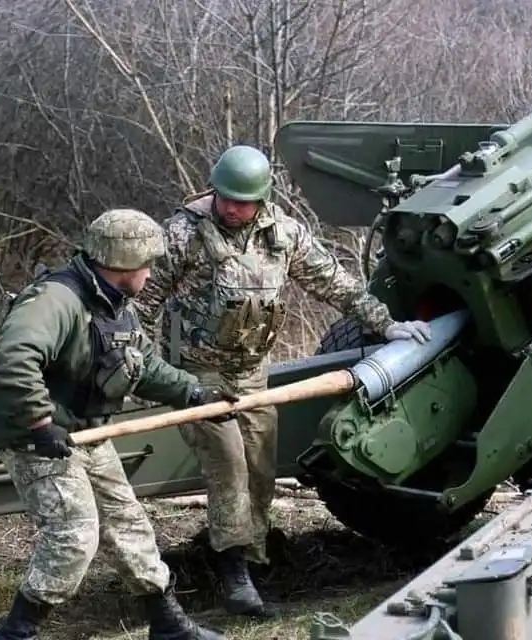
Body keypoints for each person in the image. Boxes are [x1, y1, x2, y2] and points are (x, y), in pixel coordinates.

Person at [133, 144, 432, 618]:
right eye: (224, 198)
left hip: (253, 374)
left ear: (261, 200)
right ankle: (234, 572)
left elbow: (333, 282)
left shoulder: (284, 234)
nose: (231, 209)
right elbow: (141, 303)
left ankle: (253, 556)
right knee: (228, 463)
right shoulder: (182, 234)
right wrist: (147, 369)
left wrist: (387, 324)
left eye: (242, 202)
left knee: (259, 467)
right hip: (197, 373)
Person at [0, 209, 228, 640]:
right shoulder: (56, 300)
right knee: (74, 536)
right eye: (147, 265)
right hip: (39, 437)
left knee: (129, 524)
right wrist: (41, 423)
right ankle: (15, 633)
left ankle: (167, 624)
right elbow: (14, 359)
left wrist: (194, 394)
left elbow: (143, 365)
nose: (151, 274)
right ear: (125, 263)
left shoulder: (114, 303)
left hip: (88, 434)